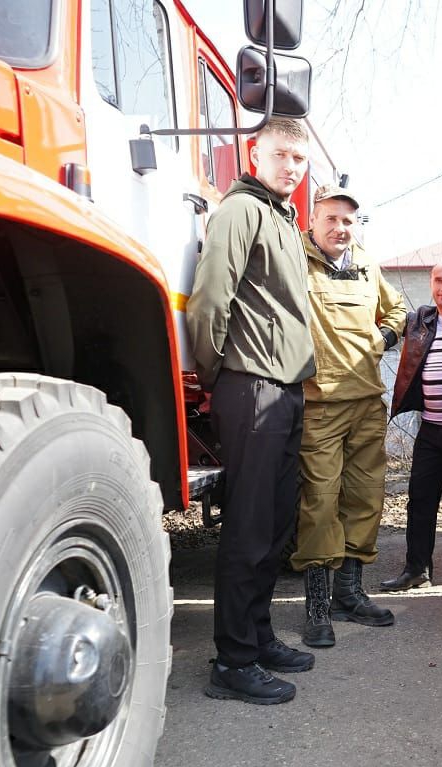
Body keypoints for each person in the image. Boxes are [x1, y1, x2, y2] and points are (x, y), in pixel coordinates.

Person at [186, 117, 316, 705]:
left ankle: (258, 637)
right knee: (247, 527)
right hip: (253, 385)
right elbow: (211, 299)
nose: (291, 166)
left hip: (286, 388)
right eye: (281, 154)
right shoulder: (240, 210)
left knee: (275, 524)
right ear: (253, 154)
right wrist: (217, 374)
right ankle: (233, 661)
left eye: (300, 159)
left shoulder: (282, 218)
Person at [292, 184, 407, 648]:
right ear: (312, 221)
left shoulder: (366, 264)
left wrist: (383, 338)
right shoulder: (294, 259)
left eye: (348, 221)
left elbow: (397, 310)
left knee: (365, 498)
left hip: (367, 403)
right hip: (319, 404)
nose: (340, 228)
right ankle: (317, 606)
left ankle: (348, 593)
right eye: (331, 219)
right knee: (320, 504)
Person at [381, 262, 442, 592]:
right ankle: (416, 570)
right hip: (430, 429)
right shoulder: (420, 320)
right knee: (420, 500)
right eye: (438, 281)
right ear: (431, 283)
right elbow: (388, 320)